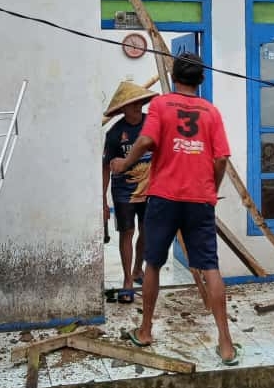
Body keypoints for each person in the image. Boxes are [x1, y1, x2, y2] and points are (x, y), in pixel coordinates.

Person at [109, 52, 240, 366]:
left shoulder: (161, 105)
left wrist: (123, 164)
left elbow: (144, 142)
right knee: (210, 267)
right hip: (199, 200)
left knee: (152, 263)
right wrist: (211, 189)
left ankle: (145, 331)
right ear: (201, 79)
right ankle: (225, 344)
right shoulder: (211, 112)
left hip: (164, 197)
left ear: (174, 76)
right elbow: (221, 159)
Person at [102, 80, 157, 304]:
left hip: (149, 188)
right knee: (127, 232)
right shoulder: (115, 134)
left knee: (146, 231)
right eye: (132, 104)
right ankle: (127, 280)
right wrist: (103, 202)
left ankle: (137, 269)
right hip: (123, 191)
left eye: (139, 103)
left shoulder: (152, 124)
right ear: (123, 108)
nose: (137, 108)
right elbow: (105, 167)